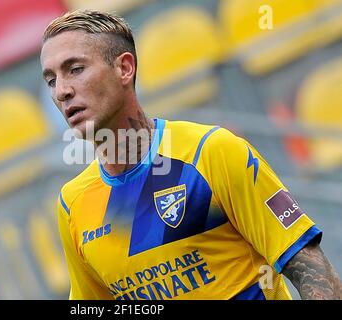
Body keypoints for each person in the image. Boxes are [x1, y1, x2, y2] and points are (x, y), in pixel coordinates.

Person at [40, 9, 341, 300]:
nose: (62, 91)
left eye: (75, 69)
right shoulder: (73, 204)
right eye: (51, 80)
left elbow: (310, 267)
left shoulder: (212, 152)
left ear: (124, 68)